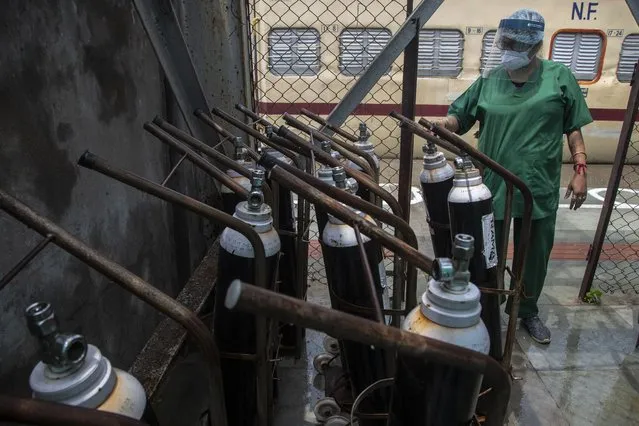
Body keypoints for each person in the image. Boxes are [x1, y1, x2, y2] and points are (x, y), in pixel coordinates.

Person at [435, 8, 590, 344]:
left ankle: (526, 311)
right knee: (486, 249)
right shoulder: (490, 79)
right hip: (492, 186)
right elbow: (458, 118)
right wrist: (443, 125)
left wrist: (580, 169)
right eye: (505, 42)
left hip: (537, 185)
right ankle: (488, 305)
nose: (508, 50)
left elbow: (573, 129)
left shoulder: (559, 76)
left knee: (534, 252)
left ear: (534, 47)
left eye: (516, 44)